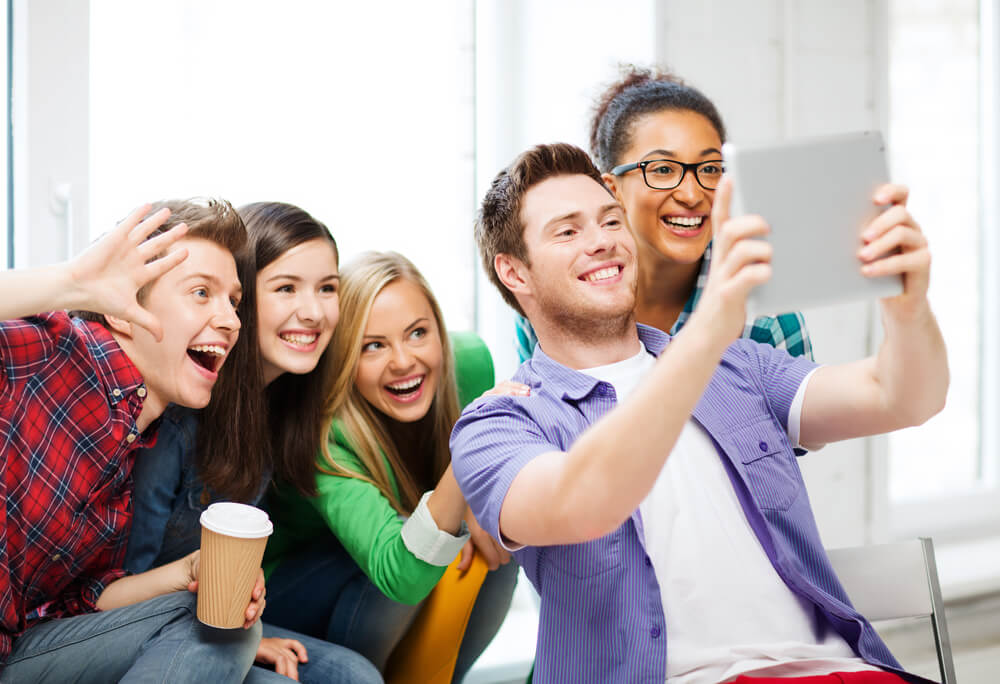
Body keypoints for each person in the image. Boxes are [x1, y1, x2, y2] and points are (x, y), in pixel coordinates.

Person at [453, 143, 948, 683]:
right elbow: (583, 500)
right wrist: (711, 325)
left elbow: (902, 396)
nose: (602, 241)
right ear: (514, 272)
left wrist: (907, 304)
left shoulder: (735, 365)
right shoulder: (498, 424)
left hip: (841, 671)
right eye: (567, 231)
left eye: (611, 220)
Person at [0, 200, 265, 682]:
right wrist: (73, 282)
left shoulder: (132, 445)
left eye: (233, 301)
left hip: (23, 651)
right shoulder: (47, 353)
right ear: (123, 312)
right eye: (202, 292)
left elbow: (81, 600)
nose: (231, 321)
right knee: (211, 626)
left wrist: (187, 573)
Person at [123, 201, 381, 683]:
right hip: (149, 627)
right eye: (286, 288)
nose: (313, 311)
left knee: (355, 675)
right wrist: (243, 636)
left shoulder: (281, 404)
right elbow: (113, 590)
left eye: (328, 289)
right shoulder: (179, 412)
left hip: (221, 618)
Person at [264, 251, 518, 680]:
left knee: (497, 542)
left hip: (391, 570)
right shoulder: (324, 436)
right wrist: (468, 464)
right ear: (344, 359)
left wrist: (482, 499)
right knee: (406, 542)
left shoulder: (471, 364)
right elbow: (397, 574)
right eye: (373, 346)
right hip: (291, 590)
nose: (403, 361)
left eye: (418, 333)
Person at [515, 66, 812, 362]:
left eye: (709, 169)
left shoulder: (764, 316)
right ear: (611, 189)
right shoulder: (550, 293)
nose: (692, 195)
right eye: (662, 170)